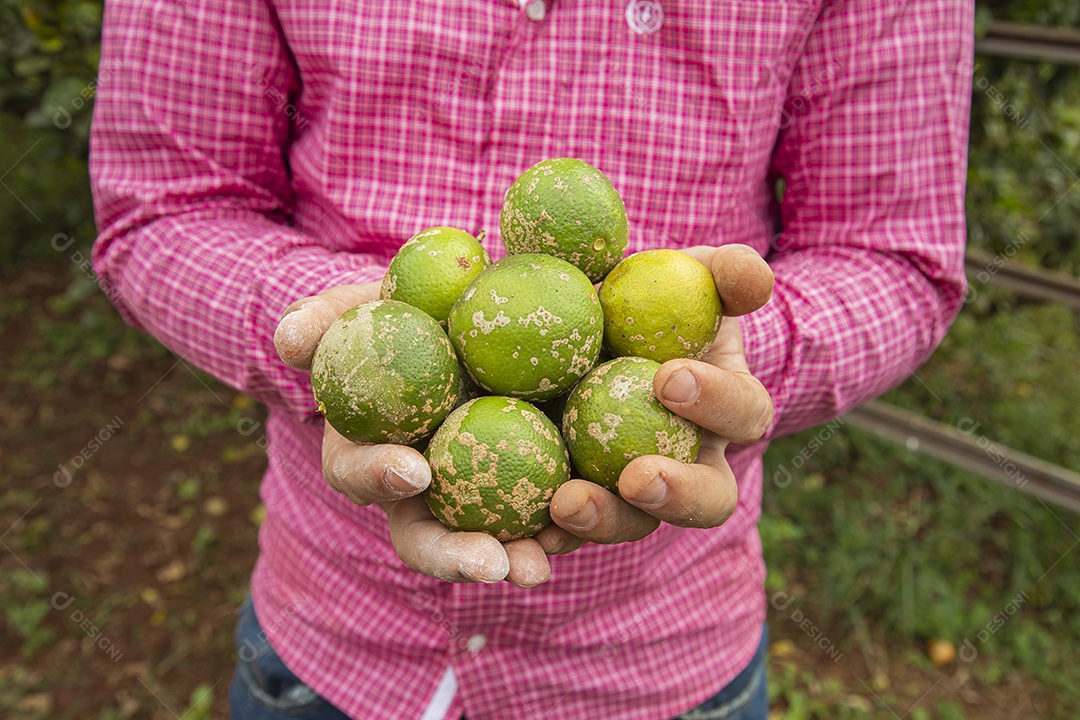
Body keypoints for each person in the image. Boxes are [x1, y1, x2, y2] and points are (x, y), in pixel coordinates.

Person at [90, 0, 973, 718]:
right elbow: (164, 207)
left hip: (656, 657)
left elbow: (897, 257)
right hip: (330, 638)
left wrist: (705, 373)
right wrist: (341, 343)